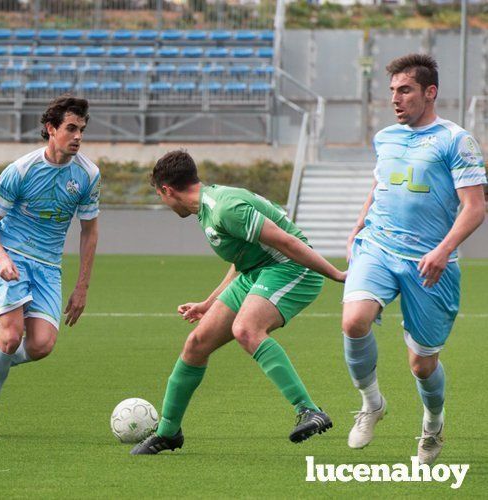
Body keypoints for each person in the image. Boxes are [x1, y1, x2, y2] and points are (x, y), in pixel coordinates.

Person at [130, 150, 346, 455]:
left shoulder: (224, 208)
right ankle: (168, 433)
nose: (164, 203)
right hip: (257, 272)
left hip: (292, 269)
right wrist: (209, 302)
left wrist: (336, 273)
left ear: (167, 190)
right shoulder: (209, 208)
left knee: (246, 329)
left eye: (160, 196)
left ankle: (310, 410)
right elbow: (242, 258)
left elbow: (288, 242)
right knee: (197, 343)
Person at [341, 54, 486, 465]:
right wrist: (357, 227)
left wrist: (442, 250)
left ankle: (433, 424)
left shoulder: (456, 140)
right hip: (378, 246)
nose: (395, 99)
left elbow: (475, 207)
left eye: (404, 90)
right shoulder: (385, 137)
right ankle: (372, 404)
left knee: (422, 365)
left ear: (430, 92)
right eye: (392, 91)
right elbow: (381, 184)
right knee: (354, 321)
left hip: (429, 265)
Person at [0, 95, 100, 439]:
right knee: (10, 338)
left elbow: (89, 230)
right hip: (12, 257)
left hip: (48, 267)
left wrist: (82, 286)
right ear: (51, 129)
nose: (78, 137)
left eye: (82, 129)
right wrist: (3, 259)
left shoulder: (87, 174)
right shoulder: (21, 170)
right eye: (71, 128)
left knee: (41, 346)